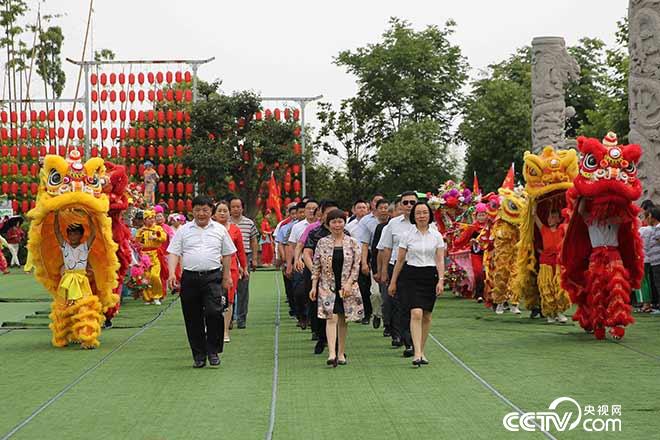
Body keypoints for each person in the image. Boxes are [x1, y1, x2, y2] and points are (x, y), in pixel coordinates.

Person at [167, 195, 236, 368]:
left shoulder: (220, 230)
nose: (201, 214)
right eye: (197, 210)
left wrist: (227, 276)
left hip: (213, 277)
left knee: (214, 312)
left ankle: (213, 350)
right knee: (192, 317)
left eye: (205, 210)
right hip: (190, 278)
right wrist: (171, 274)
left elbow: (228, 254)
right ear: (192, 212)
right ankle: (199, 355)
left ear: (211, 211)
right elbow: (174, 252)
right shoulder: (183, 230)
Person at [388, 202, 445, 366]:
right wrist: (393, 282)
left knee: (427, 315)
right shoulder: (407, 235)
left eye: (425, 213)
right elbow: (399, 261)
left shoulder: (436, 235)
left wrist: (441, 280)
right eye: (418, 213)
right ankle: (416, 352)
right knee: (416, 313)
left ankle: (422, 349)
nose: (421, 216)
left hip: (430, 276)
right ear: (413, 216)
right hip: (410, 276)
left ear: (430, 215)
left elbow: (440, 259)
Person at [310, 209, 364, 367]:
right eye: (333, 222)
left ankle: (341, 352)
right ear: (328, 224)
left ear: (344, 222)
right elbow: (316, 266)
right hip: (327, 285)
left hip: (347, 286)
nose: (337, 225)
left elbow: (356, 265)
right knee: (331, 317)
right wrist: (313, 286)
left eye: (340, 221)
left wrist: (349, 283)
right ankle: (332, 352)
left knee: (342, 319)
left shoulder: (352, 242)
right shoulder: (322, 242)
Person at [377, 191, 419, 357]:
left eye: (412, 202)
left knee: (417, 308)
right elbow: (385, 248)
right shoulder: (393, 224)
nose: (409, 205)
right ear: (400, 205)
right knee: (400, 306)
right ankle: (408, 342)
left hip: (420, 268)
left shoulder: (426, 223)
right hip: (397, 268)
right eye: (406, 202)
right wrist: (383, 271)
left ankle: (416, 341)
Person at [303, 200, 341, 354]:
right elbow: (307, 253)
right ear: (322, 214)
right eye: (329, 214)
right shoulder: (315, 233)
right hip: (317, 276)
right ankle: (321, 337)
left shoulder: (346, 235)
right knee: (317, 309)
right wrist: (315, 272)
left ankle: (337, 344)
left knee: (337, 311)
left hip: (339, 277)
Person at [213, 201, 248, 343]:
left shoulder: (235, 229)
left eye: (225, 210)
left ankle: (225, 331)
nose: (222, 213)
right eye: (219, 211)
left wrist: (244, 267)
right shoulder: (210, 229)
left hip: (231, 267)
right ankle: (212, 328)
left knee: (228, 300)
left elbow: (240, 251)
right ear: (214, 214)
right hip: (213, 266)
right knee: (213, 299)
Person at [534, 206, 570, 323]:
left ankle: (559, 312)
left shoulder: (562, 229)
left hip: (558, 262)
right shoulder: (544, 229)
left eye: (553, 217)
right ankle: (550, 313)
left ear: (559, 219)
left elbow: (570, 219)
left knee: (559, 287)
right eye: (549, 217)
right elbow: (534, 215)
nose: (550, 219)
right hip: (546, 263)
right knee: (546, 287)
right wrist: (534, 202)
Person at [229, 197, 258, 329]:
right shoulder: (225, 223)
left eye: (238, 206)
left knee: (243, 290)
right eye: (233, 207)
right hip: (229, 258)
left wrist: (255, 258)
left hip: (245, 256)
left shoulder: (249, 223)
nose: (236, 209)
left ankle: (241, 318)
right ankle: (229, 318)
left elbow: (254, 241)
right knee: (229, 289)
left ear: (242, 208)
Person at [289, 200, 319, 328]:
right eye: (309, 208)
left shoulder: (325, 226)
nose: (311, 211)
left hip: (320, 264)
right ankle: (302, 316)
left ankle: (313, 320)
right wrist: (294, 261)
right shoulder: (298, 227)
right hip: (302, 263)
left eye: (314, 208)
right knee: (300, 292)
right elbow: (294, 245)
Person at [136, 210, 168, 305]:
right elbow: (137, 242)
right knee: (146, 277)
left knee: (155, 275)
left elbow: (164, 237)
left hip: (155, 254)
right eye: (149, 219)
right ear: (144, 220)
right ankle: (147, 297)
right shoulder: (141, 230)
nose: (151, 220)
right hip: (144, 255)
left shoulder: (158, 228)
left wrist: (156, 238)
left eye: (152, 218)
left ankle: (157, 296)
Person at [368, 199, 390, 332]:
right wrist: (376, 270)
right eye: (381, 208)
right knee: (376, 294)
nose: (384, 210)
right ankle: (377, 314)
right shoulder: (378, 227)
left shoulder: (392, 225)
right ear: (375, 210)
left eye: (386, 208)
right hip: (378, 266)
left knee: (389, 297)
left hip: (392, 266)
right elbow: (376, 250)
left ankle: (388, 324)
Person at [640, 206, 660, 313]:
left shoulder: (655, 228)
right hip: (653, 260)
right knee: (655, 283)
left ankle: (647, 303)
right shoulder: (653, 229)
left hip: (654, 260)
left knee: (651, 282)